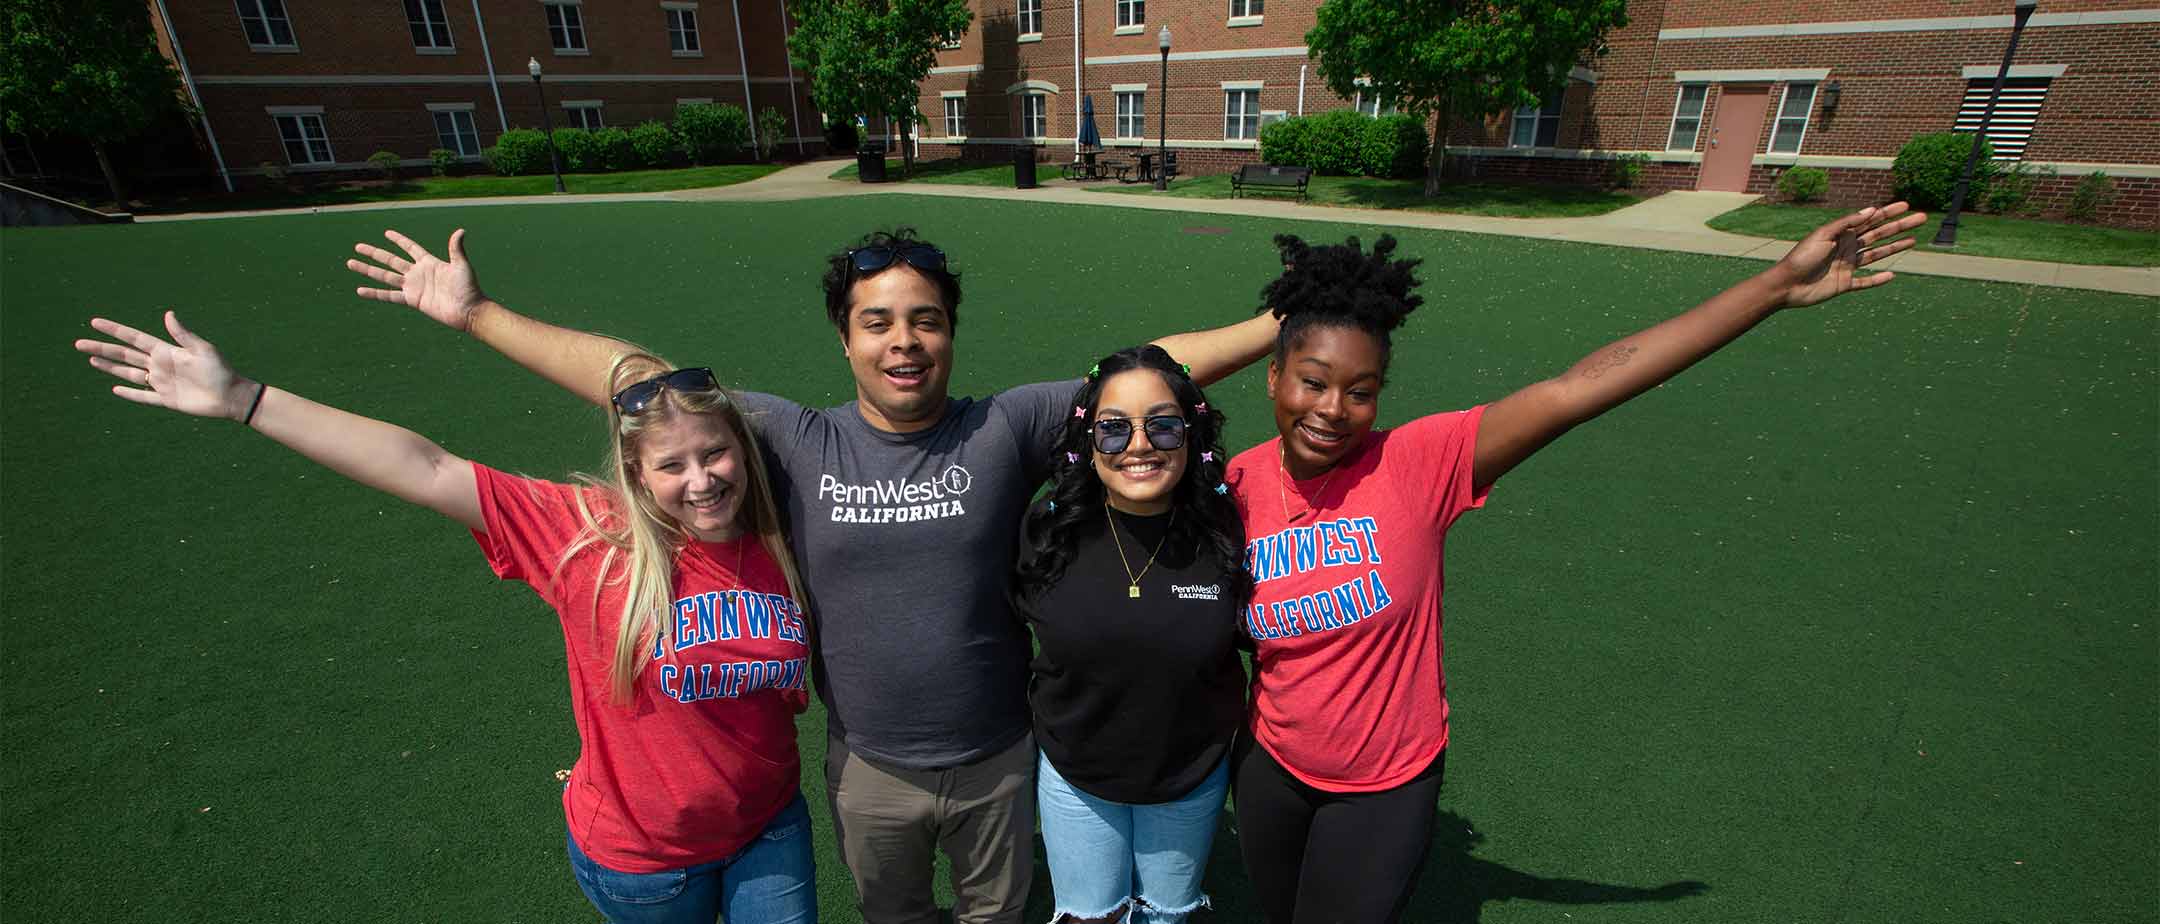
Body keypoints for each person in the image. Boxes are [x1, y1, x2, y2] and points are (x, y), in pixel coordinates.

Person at [341, 227, 1279, 924]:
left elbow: (1146, 380)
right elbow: (639, 382)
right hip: (868, 765)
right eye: (878, 323)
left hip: (998, 759)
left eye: (925, 321)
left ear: (951, 333)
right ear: (846, 338)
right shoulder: (794, 439)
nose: (902, 342)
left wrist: (1284, 323)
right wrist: (474, 312)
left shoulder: (1007, 427)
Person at [1223, 204, 1929, 923]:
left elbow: (1581, 388)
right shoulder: (1234, 488)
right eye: (1313, 382)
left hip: (1384, 785)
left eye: (1362, 391)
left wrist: (1775, 286)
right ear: (1274, 377)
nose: (1334, 409)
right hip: (1268, 770)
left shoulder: (1417, 463)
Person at [73, 313, 821, 924]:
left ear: (741, 452)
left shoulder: (783, 534)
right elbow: (426, 468)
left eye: (715, 453)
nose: (701, 480)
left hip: (768, 827)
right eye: (672, 464)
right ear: (635, 473)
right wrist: (245, 398)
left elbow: (636, 373)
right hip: (646, 862)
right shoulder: (590, 537)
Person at [1011, 345, 1251, 924]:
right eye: (1114, 429)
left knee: (1167, 915)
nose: (1140, 446)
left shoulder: (1228, 527)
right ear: (1088, 441)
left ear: (1191, 434)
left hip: (1190, 777)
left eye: (1163, 426)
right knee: (1089, 916)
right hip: (1076, 776)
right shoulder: (1047, 530)